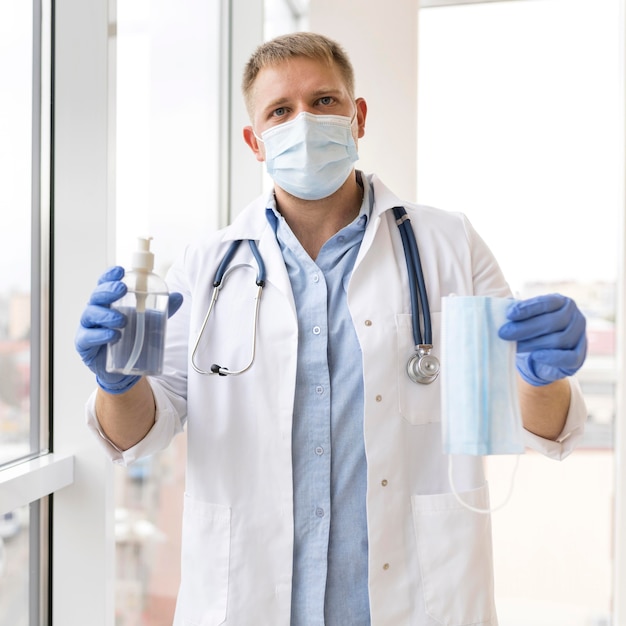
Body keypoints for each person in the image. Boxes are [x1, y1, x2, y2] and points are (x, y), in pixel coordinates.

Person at [76, 32, 588, 626]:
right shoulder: (205, 264)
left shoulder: (448, 243)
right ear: (255, 141)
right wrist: (119, 387)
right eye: (280, 111)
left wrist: (543, 376)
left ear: (357, 115)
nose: (304, 122)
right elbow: (140, 434)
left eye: (323, 101)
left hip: (416, 602)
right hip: (248, 601)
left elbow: (538, 426)